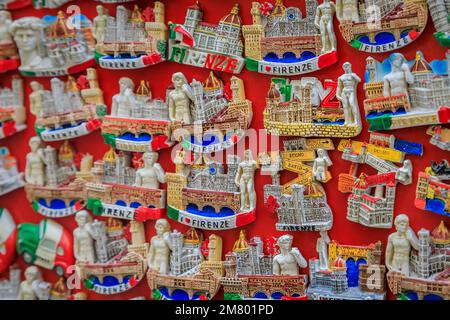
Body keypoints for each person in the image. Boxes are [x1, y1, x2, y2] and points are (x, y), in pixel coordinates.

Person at [337, 62, 361, 126]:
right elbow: (339, 87)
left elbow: (359, 80)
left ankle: (356, 120)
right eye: (345, 66)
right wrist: (337, 95)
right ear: (343, 68)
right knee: (345, 107)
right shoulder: (341, 77)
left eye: (347, 66)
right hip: (344, 92)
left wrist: (354, 76)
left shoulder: (353, 75)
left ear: (350, 66)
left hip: (351, 91)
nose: (346, 67)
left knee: (352, 104)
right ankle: (347, 121)